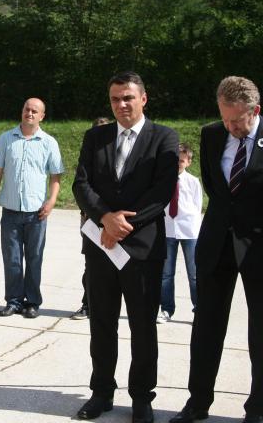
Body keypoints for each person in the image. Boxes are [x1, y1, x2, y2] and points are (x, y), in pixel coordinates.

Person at [72, 71, 178, 423]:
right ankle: (101, 392)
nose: (122, 105)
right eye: (116, 99)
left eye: (128, 98)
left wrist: (121, 225)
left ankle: (141, 398)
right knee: (101, 324)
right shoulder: (96, 136)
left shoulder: (164, 138)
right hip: (101, 248)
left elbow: (161, 191)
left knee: (142, 327)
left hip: (142, 251)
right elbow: (81, 185)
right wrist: (104, 218)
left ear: (143, 98)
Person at [170, 76, 263, 423]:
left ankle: (257, 408)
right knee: (206, 327)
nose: (230, 126)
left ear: (255, 110)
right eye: (225, 119)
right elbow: (216, 189)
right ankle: (197, 402)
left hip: (258, 246)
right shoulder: (211, 135)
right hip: (216, 245)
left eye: (237, 121)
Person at [0, 97, 64, 319]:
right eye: (26, 109)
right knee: (11, 258)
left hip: (37, 213)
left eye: (34, 111)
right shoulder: (6, 139)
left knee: (34, 257)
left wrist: (51, 201)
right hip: (10, 211)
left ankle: (32, 302)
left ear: (42, 116)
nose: (29, 113)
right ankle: (13, 301)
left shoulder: (49, 143)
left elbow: (55, 175)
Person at [157, 142, 201, 324]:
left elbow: (197, 206)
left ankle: (200, 310)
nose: (178, 164)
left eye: (182, 161)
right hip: (168, 229)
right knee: (166, 273)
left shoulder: (193, 182)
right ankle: (166, 309)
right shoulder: (163, 179)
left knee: (195, 273)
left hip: (189, 230)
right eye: (176, 160)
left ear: (188, 162)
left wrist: (194, 227)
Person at [71, 116, 111, 320]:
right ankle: (87, 304)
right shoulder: (88, 158)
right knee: (92, 265)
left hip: (114, 221)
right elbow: (80, 187)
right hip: (90, 221)